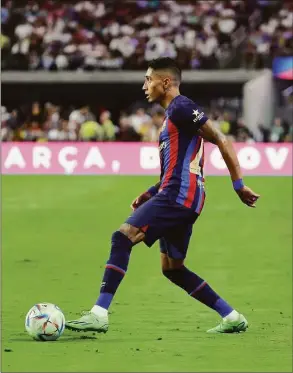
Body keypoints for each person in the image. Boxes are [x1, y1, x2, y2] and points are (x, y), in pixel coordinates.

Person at [65, 57, 260, 334]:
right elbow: (178, 167)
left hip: (179, 196)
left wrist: (238, 184)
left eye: (148, 79)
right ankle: (232, 317)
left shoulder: (181, 107)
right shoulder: (172, 117)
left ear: (165, 82)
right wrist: (150, 192)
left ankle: (99, 313)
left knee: (122, 237)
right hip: (180, 195)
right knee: (172, 268)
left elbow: (221, 139)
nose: (144, 85)